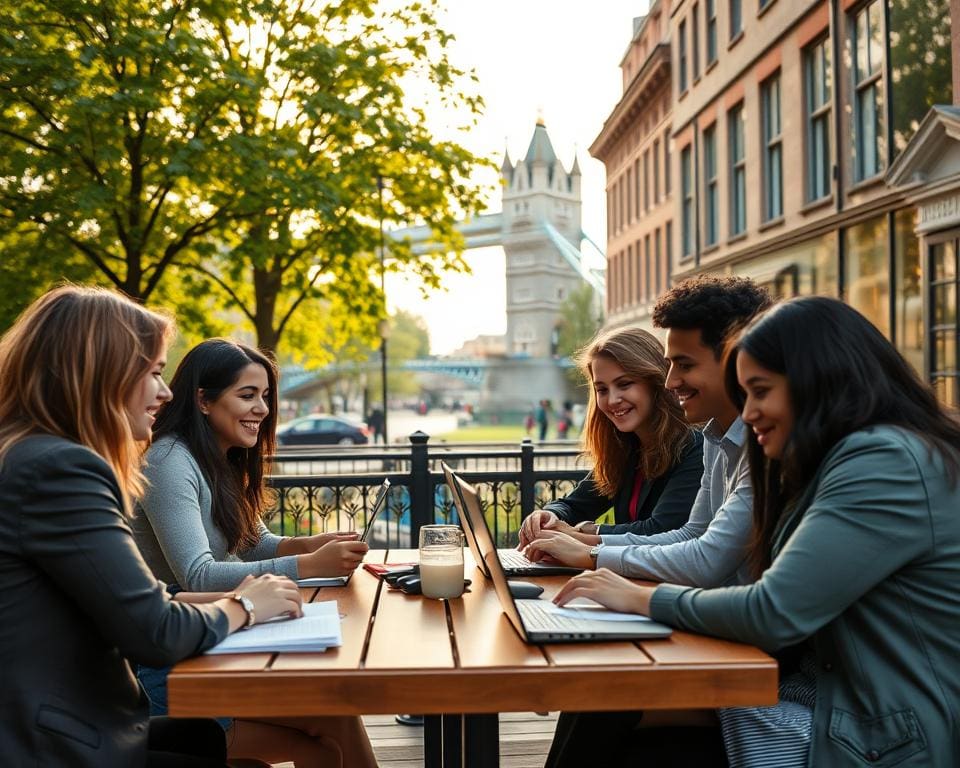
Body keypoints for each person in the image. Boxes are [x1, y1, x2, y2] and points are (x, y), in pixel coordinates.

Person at [554, 297, 960, 767]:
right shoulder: (846, 456)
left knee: (624, 717)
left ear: (818, 381)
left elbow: (772, 610)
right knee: (605, 698)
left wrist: (638, 597)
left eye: (760, 391)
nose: (747, 414)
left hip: (886, 731)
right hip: (830, 698)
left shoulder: (885, 463)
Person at [0, 286, 303, 767]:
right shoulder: (59, 469)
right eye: (154, 373)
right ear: (101, 373)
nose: (165, 393)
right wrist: (245, 605)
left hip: (71, 721)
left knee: (211, 739)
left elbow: (134, 598)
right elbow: (154, 630)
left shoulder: (30, 455)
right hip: (52, 743)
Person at [523, 276, 771, 767]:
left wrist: (593, 550)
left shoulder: (714, 446)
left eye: (680, 366)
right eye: (602, 389)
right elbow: (686, 536)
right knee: (597, 690)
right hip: (721, 635)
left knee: (603, 696)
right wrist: (563, 520)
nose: (672, 379)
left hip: (748, 659)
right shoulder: (721, 442)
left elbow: (695, 549)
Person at [133, 339, 377, 768]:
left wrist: (309, 544)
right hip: (168, 667)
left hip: (212, 643)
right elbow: (198, 575)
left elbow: (252, 542)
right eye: (247, 395)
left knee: (336, 715)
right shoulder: (169, 459)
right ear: (204, 400)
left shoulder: (220, 457)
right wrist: (306, 566)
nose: (262, 409)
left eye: (265, 396)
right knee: (321, 740)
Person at [518, 326, 703, 548]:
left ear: (656, 383)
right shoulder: (626, 448)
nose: (612, 399)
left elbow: (662, 529)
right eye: (602, 389)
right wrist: (548, 515)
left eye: (624, 384)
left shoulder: (695, 445)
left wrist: (585, 531)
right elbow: (575, 505)